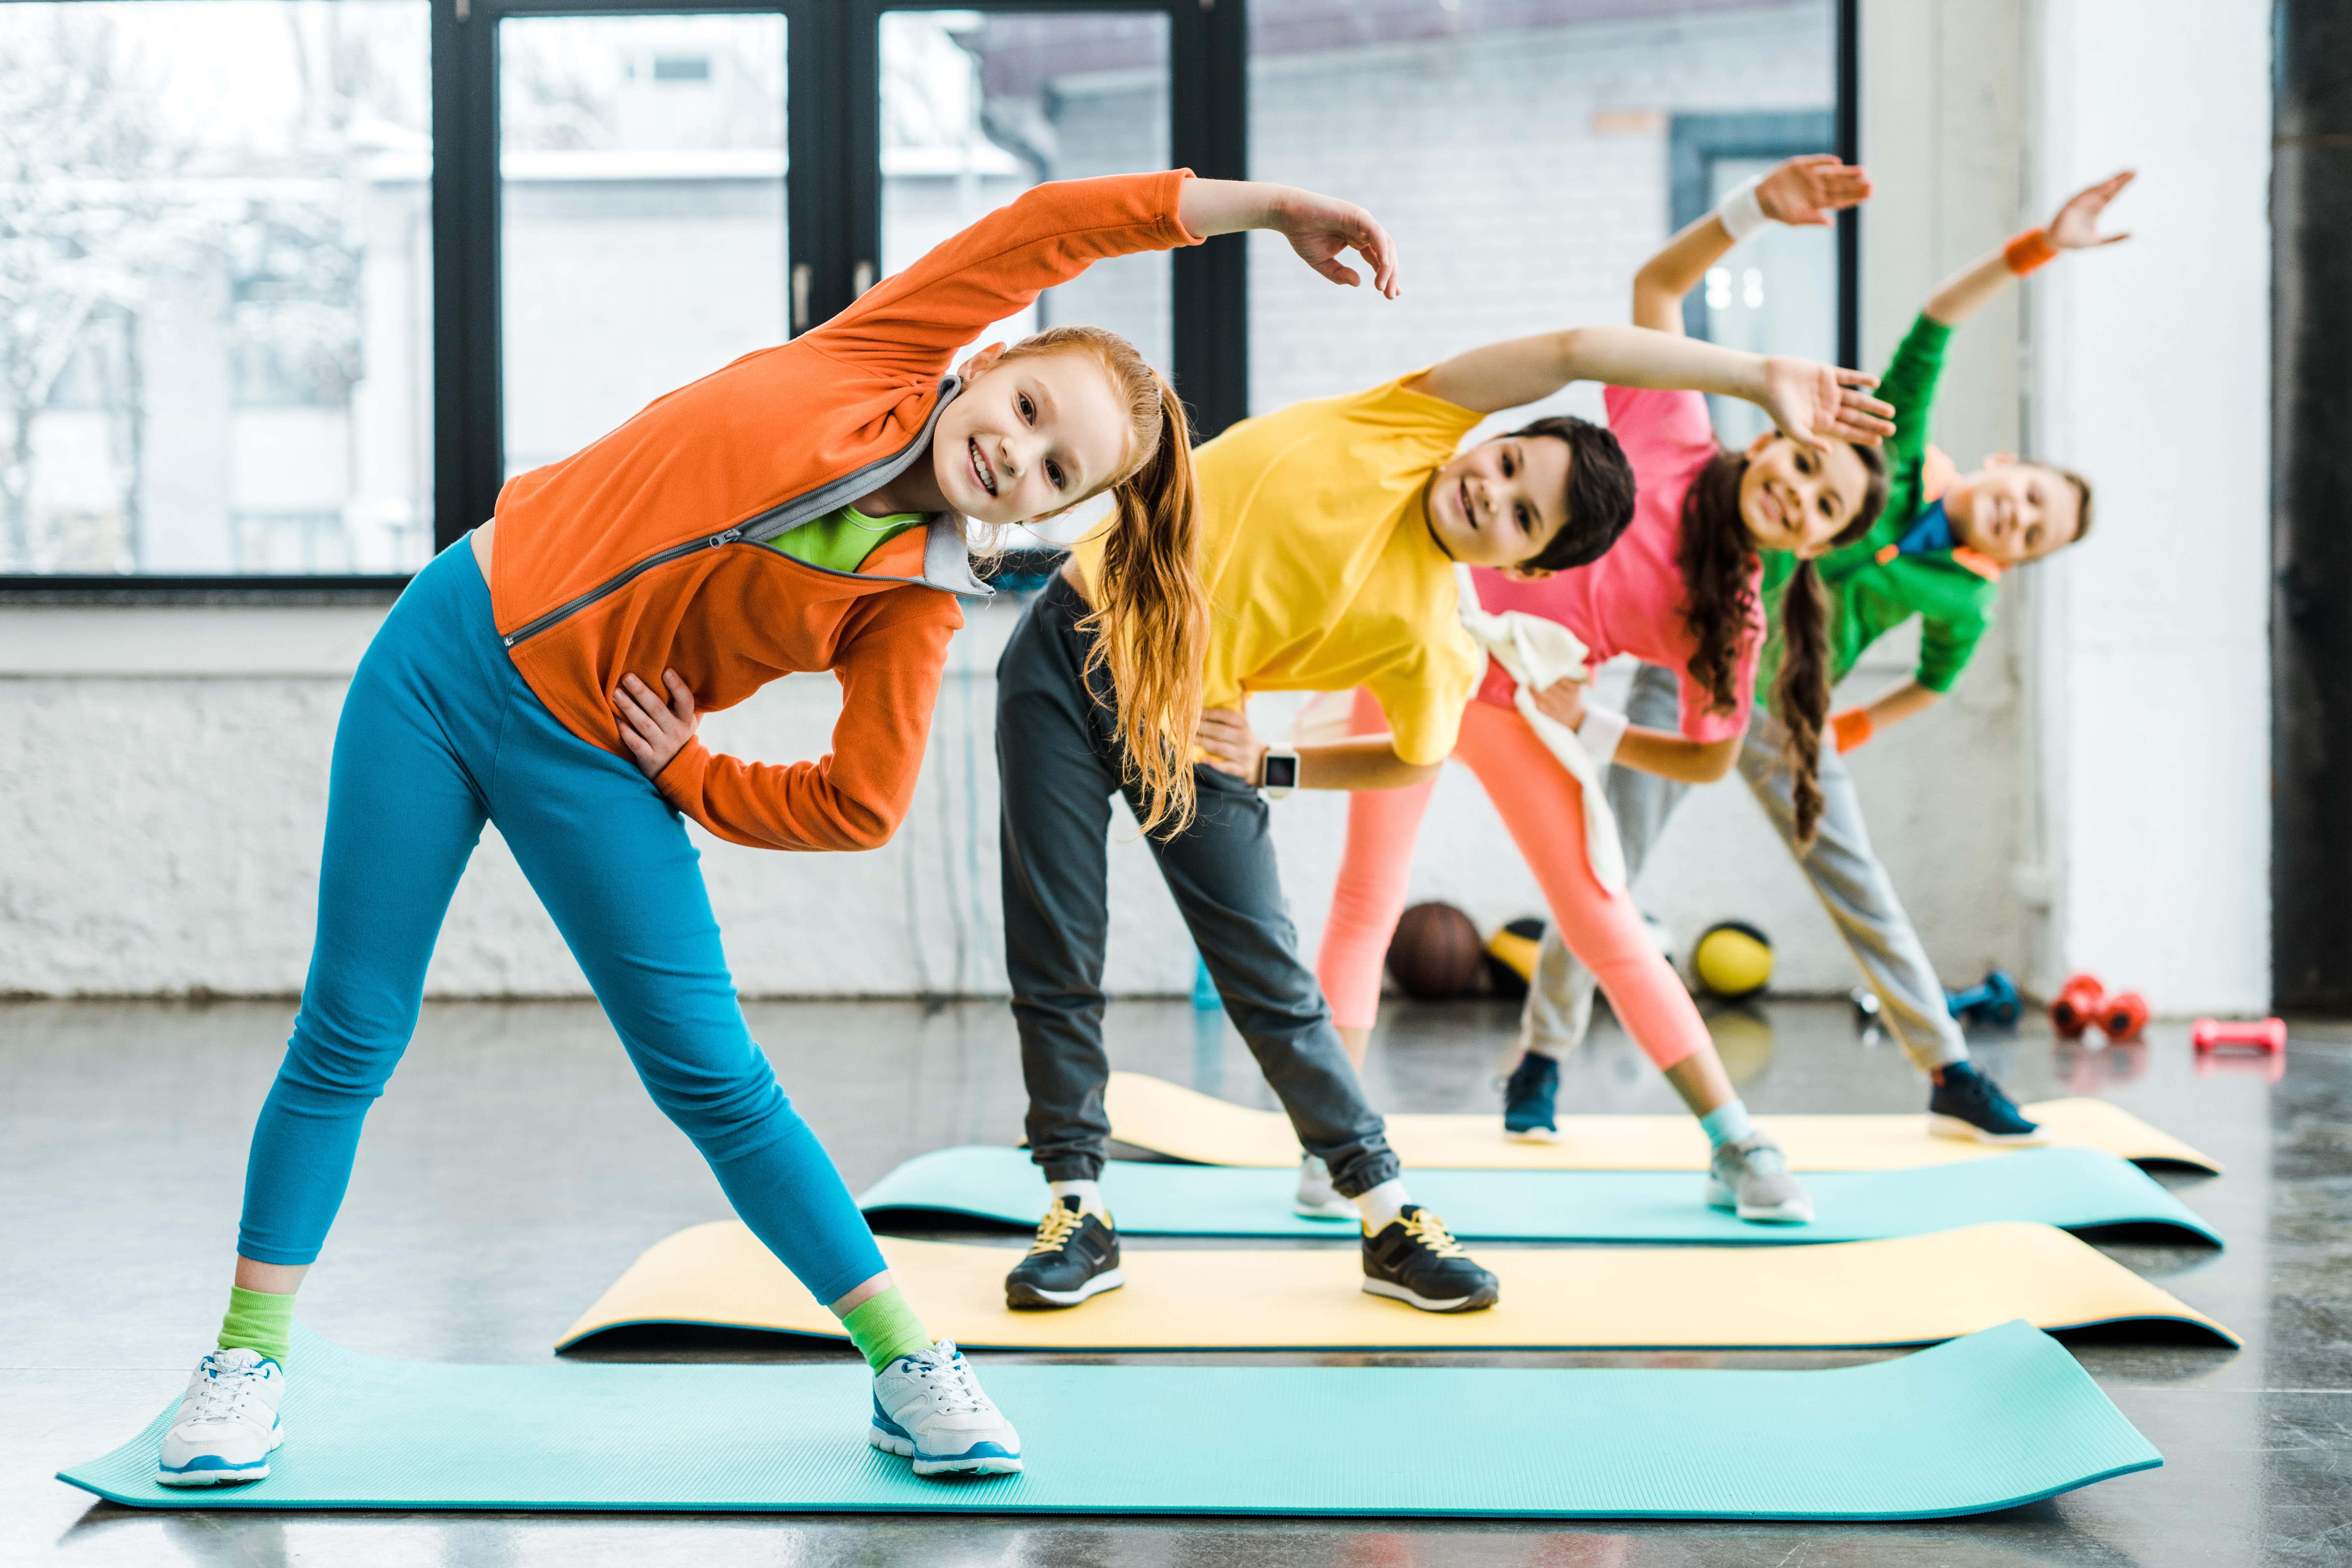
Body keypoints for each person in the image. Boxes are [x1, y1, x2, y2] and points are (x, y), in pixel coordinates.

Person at [153, 170, 1403, 1488]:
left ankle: (911, 1362)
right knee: (352, 1027)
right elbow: (1050, 228)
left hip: (595, 754)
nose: (1016, 453)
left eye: (1052, 471)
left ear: (1042, 514)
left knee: (715, 1077)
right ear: (986, 360)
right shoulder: (871, 353)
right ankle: (246, 1360)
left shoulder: (909, 607)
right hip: (441, 654)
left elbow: (861, 804)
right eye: (1027, 408)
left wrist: (692, 771)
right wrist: (1268, 210)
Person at [998, 241, 1892, 1308]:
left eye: (1523, 518)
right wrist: (1756, 376)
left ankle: (1383, 1207)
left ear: (1523, 568)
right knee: (1059, 943)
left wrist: (1275, 762)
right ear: (1492, 436)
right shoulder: (1407, 420)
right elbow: (1575, 347)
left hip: (1208, 721)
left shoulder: (1440, 641)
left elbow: (1414, 753)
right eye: (1508, 465)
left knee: (1277, 980)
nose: (1492, 492)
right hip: (1066, 645)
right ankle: (1076, 1207)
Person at [1314, 157, 1895, 1225]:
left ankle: (1736, 1139)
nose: (1796, 489)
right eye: (1808, 464)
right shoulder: (1674, 436)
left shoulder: (1734, 614)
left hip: (1509, 704)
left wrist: (1599, 727)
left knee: (1600, 915)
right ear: (1776, 433)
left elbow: (1712, 757)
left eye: (1821, 505)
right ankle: (1335, 1144)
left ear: (1815, 547)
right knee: (1366, 896)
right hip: (1409, 652)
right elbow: (1655, 293)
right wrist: (1754, 211)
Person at [1510, 170, 2133, 1145]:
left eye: (2031, 533)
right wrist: (2041, 247)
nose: (2014, 518)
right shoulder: (1887, 447)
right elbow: (1937, 317)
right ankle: (1541, 1058)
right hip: (1688, 671)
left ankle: (1949, 1070)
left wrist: (1842, 727)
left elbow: (1930, 686)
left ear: (2022, 559)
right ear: (2001, 469)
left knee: (1860, 884)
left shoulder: (1964, 605)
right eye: (2024, 499)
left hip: (1791, 710)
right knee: (1602, 866)